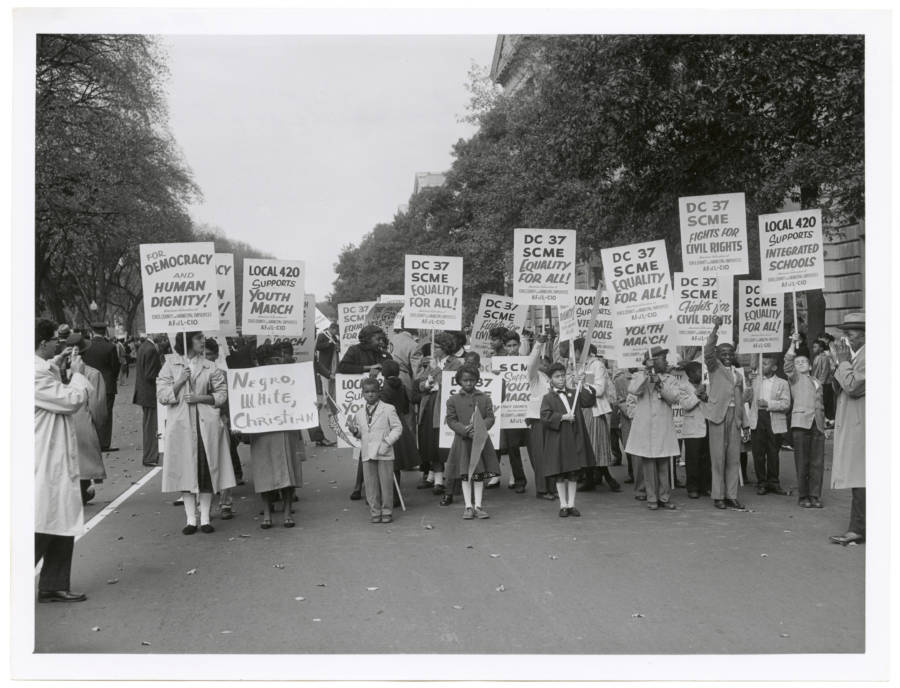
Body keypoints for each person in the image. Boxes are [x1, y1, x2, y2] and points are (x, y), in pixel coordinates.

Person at [35, 319, 92, 602]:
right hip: (44, 458)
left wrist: (56, 364)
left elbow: (52, 381)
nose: (61, 344)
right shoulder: (33, 375)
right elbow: (70, 400)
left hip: (54, 456)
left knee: (62, 519)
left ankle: (53, 584)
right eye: (55, 340)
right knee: (41, 521)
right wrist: (79, 375)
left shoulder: (41, 369)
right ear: (42, 343)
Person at [157, 332, 236, 534]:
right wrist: (180, 382)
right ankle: (191, 519)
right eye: (198, 338)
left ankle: (206, 517)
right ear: (188, 340)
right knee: (185, 472)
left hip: (205, 426)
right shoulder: (171, 365)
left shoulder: (210, 366)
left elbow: (221, 395)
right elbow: (162, 396)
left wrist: (201, 398)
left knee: (206, 471)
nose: (203, 341)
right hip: (182, 427)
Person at [626, 347, 699, 510]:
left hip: (663, 427)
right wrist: (647, 375)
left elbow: (673, 398)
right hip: (645, 428)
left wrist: (660, 384)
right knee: (648, 463)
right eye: (661, 358)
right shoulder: (639, 375)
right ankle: (652, 498)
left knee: (664, 463)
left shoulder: (670, 379)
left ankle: (664, 497)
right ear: (650, 361)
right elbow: (633, 390)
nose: (666, 361)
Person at [246, 343, 305, 529]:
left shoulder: (289, 377)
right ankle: (267, 511)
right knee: (265, 472)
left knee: (288, 470)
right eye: (277, 359)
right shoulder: (251, 380)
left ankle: (287, 511)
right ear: (265, 362)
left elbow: (301, 398)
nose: (281, 361)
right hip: (262, 431)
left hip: (285, 429)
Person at [703, 317, 749, 510]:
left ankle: (731, 495)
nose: (728, 356)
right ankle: (718, 495)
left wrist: (744, 423)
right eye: (723, 353)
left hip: (734, 418)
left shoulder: (738, 375)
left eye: (730, 353)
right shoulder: (714, 368)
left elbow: (740, 400)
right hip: (717, 417)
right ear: (718, 355)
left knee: (733, 458)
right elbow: (707, 351)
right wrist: (716, 328)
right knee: (718, 458)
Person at [828, 313, 866, 546]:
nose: (846, 339)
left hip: (862, 425)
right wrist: (839, 363)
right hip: (854, 423)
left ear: (864, 335)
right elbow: (840, 384)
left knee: (861, 477)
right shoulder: (855, 355)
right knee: (859, 478)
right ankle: (858, 527)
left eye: (850, 334)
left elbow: (852, 386)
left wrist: (842, 362)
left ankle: (857, 529)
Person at [444, 366, 502, 519]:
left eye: (472, 380)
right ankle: (468, 506)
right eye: (465, 380)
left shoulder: (484, 398)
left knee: (478, 474)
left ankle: (479, 506)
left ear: (477, 380)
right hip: (462, 442)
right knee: (465, 475)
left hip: (480, 441)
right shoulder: (453, 400)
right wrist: (465, 430)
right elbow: (451, 420)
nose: (468, 383)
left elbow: (491, 417)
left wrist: (479, 428)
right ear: (459, 381)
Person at [540, 362, 597, 517]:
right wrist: (562, 417)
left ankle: (571, 504)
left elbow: (588, 401)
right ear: (550, 379)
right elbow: (545, 417)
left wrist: (583, 384)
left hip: (573, 438)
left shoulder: (574, 393)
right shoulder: (548, 398)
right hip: (558, 439)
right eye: (557, 377)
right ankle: (562, 505)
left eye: (563, 375)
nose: (561, 379)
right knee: (560, 473)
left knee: (573, 473)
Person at [567, 339, 620, 493]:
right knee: (585, 445)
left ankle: (607, 477)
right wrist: (573, 379)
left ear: (581, 351)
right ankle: (591, 477)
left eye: (575, 351)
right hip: (580, 409)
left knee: (597, 445)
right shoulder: (574, 366)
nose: (573, 354)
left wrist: (583, 383)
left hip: (594, 410)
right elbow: (569, 387)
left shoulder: (596, 365)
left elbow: (600, 389)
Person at [348, 378, 403, 524]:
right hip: (367, 452)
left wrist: (387, 442)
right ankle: (375, 511)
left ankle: (387, 511)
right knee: (371, 485)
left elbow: (398, 428)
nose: (370, 394)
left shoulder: (388, 408)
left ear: (379, 392)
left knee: (386, 483)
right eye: (367, 392)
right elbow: (363, 434)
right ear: (362, 394)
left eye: (373, 391)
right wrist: (355, 431)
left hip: (384, 451)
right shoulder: (359, 413)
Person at [414, 332, 463, 494]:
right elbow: (420, 383)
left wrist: (435, 373)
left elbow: (451, 384)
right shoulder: (432, 363)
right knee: (429, 442)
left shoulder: (455, 363)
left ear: (445, 348)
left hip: (442, 407)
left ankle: (445, 479)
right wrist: (426, 383)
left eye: (437, 347)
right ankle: (436, 478)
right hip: (429, 404)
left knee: (441, 443)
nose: (433, 349)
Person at [783, 332, 827, 508]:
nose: (799, 364)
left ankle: (815, 495)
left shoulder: (817, 381)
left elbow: (820, 403)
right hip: (801, 423)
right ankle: (803, 496)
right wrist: (793, 344)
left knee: (817, 462)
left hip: (818, 424)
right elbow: (787, 364)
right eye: (797, 363)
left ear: (810, 366)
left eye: (803, 362)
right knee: (803, 461)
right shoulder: (795, 379)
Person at [66, 333, 108, 505]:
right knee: (84, 461)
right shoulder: (93, 374)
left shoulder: (57, 373)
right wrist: (98, 425)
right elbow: (97, 406)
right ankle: (83, 491)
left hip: (63, 422)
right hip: (83, 420)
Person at [204, 338, 243, 520]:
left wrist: (233, 423)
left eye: (209, 355)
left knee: (224, 463)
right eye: (203, 355)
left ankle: (225, 503)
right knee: (204, 466)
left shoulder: (224, 375)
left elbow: (230, 401)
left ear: (216, 355)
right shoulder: (193, 375)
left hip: (221, 422)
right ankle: (205, 508)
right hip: (202, 425)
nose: (206, 358)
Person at [745, 353, 791, 496]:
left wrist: (769, 404)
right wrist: (748, 384)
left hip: (774, 419)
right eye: (761, 363)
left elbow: (786, 404)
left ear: (775, 367)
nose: (761, 366)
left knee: (773, 452)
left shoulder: (782, 383)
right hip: (758, 418)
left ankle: (774, 482)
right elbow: (746, 399)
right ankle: (762, 483)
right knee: (758, 453)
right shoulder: (755, 380)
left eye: (765, 364)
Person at [379, 359, 420, 506]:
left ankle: (388, 496)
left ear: (383, 373)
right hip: (400, 422)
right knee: (397, 464)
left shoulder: (383, 389)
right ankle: (396, 495)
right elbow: (405, 407)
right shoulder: (401, 386)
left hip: (387, 425)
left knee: (387, 462)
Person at [494, 331, 529, 493]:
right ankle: (519, 479)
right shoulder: (498, 363)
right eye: (509, 346)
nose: (512, 348)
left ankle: (546, 483)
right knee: (513, 447)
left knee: (533, 447)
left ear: (519, 345)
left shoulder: (527, 361)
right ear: (504, 347)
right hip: (508, 411)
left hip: (526, 408)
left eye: (515, 345)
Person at [525, 333, 556, 500]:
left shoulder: (553, 381)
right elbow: (531, 364)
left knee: (552, 455)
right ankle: (542, 489)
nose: (543, 366)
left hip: (553, 420)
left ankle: (552, 487)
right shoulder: (535, 379)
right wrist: (538, 345)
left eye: (546, 363)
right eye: (540, 363)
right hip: (538, 421)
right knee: (541, 456)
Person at [80, 321, 120, 451]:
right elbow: (115, 367)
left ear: (93, 331)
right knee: (106, 415)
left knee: (89, 413)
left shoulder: (87, 346)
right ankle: (104, 443)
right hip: (107, 385)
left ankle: (92, 441)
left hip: (88, 383)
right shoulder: (110, 347)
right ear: (105, 332)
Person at [133, 333, 164, 467]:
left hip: (144, 393)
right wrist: (163, 374)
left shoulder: (144, 346)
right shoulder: (151, 349)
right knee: (151, 427)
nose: (162, 333)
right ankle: (150, 456)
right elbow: (150, 374)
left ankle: (150, 455)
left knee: (148, 426)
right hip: (150, 393)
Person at [388, 326, 422, 403]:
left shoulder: (392, 338)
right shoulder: (414, 345)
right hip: (403, 379)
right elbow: (417, 372)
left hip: (387, 377)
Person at [811, 337, 836, 424]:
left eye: (815, 347)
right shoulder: (817, 357)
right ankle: (825, 419)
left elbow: (825, 371)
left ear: (821, 348)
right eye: (813, 347)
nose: (813, 349)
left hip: (824, 384)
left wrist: (819, 384)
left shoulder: (824, 357)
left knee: (826, 402)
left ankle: (830, 420)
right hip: (819, 383)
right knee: (822, 402)